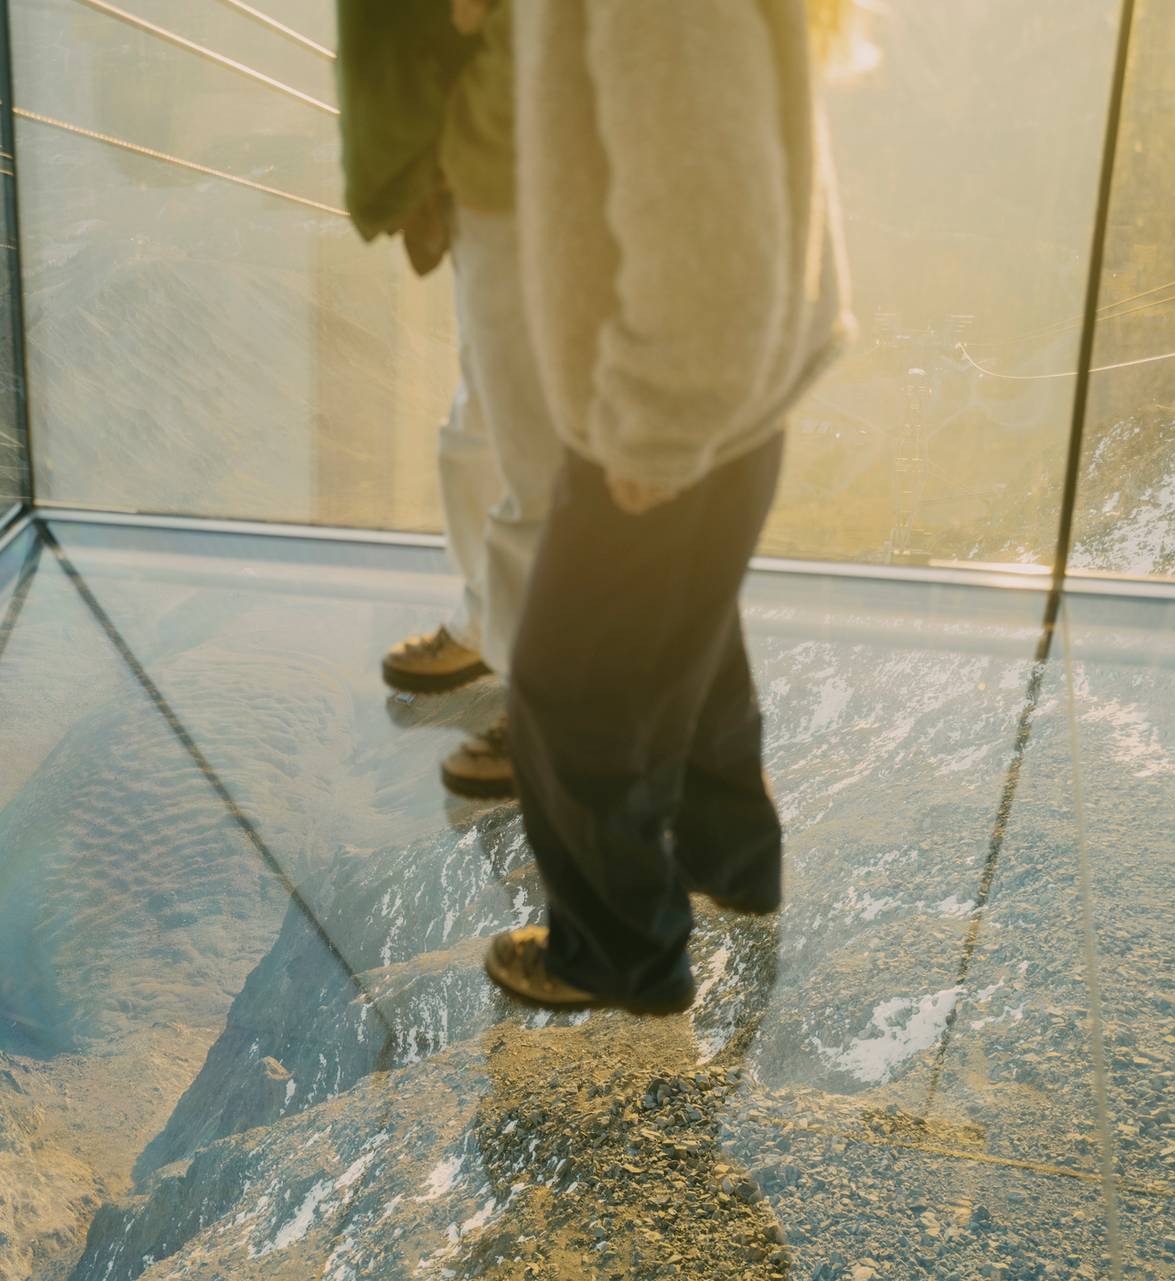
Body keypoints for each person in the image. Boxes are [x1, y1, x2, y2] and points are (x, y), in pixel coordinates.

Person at [484, 0, 857, 1014]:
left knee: (565, 688)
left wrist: (652, 427)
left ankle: (618, 953)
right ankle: (733, 859)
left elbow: (710, 223)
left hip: (675, 402)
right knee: (691, 637)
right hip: (725, 402)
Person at [337, 0, 563, 799]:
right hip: (485, 150)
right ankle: (487, 626)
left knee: (530, 437)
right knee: (485, 413)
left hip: (516, 153)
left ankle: (548, 702)